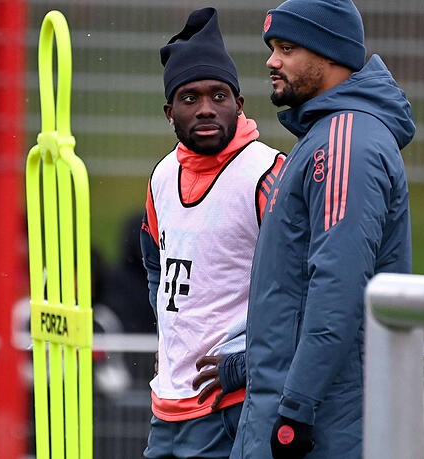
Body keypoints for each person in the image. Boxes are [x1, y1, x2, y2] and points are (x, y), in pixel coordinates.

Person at [232, 1, 416, 458]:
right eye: (272, 48)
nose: (272, 61)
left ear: (331, 55)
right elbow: (293, 292)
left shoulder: (345, 141)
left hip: (319, 423)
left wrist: (296, 407)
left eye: (287, 48)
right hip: (293, 405)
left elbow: (338, 286)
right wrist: (249, 366)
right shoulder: (323, 136)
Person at [140, 7, 285, 459]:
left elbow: (302, 289)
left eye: (219, 95)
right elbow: (154, 265)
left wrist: (248, 364)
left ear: (239, 104)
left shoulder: (268, 173)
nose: (206, 108)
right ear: (169, 112)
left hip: (231, 405)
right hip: (166, 404)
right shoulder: (162, 176)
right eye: (189, 98)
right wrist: (170, 332)